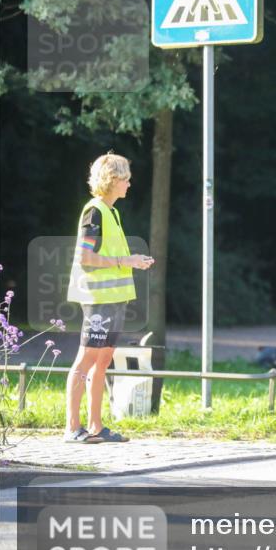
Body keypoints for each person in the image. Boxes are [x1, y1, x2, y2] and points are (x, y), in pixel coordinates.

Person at [64, 153, 154, 444]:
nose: (129, 183)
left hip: (114, 299)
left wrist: (132, 262)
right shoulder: (95, 212)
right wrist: (126, 259)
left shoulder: (112, 212)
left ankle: (95, 427)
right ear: (112, 180)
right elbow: (87, 257)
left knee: (102, 362)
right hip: (98, 299)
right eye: (126, 177)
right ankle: (72, 428)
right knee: (86, 360)